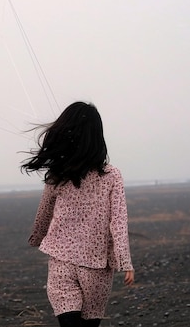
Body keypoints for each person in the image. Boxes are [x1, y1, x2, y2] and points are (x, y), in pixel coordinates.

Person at [21, 101, 134, 327]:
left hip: (62, 260)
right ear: (97, 137)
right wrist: (125, 262)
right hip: (97, 266)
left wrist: (36, 238)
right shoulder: (112, 175)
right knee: (88, 322)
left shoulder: (58, 174)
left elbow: (44, 212)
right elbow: (118, 222)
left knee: (69, 321)